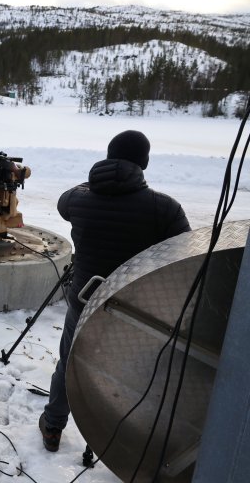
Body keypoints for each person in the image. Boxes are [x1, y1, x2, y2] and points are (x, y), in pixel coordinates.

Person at [39, 130, 191, 452]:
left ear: (108, 156)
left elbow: (64, 202)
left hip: (83, 301)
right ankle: (119, 440)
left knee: (69, 364)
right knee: (132, 374)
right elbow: (184, 254)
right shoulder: (165, 208)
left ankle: (53, 426)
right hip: (135, 311)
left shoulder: (77, 198)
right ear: (144, 162)